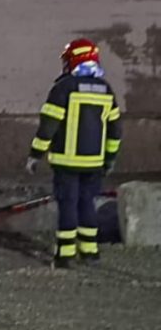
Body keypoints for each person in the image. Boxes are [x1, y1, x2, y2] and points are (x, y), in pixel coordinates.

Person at [26, 39, 123, 268]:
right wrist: (110, 159)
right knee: (87, 203)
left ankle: (65, 255)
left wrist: (35, 155)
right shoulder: (106, 90)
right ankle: (89, 252)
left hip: (66, 163)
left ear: (72, 61)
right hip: (94, 164)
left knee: (68, 204)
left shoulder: (63, 88)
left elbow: (48, 126)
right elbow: (115, 131)